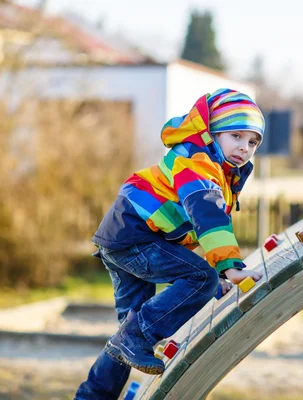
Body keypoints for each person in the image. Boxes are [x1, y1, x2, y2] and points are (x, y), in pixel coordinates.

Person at [75, 88, 264, 399]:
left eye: (252, 142)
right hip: (135, 235)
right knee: (196, 280)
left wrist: (217, 278)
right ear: (212, 133)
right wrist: (229, 268)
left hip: (124, 235)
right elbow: (208, 216)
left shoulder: (216, 170)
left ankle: (92, 396)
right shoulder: (196, 163)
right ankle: (135, 338)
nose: (244, 148)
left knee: (128, 335)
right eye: (236, 136)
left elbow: (197, 230)